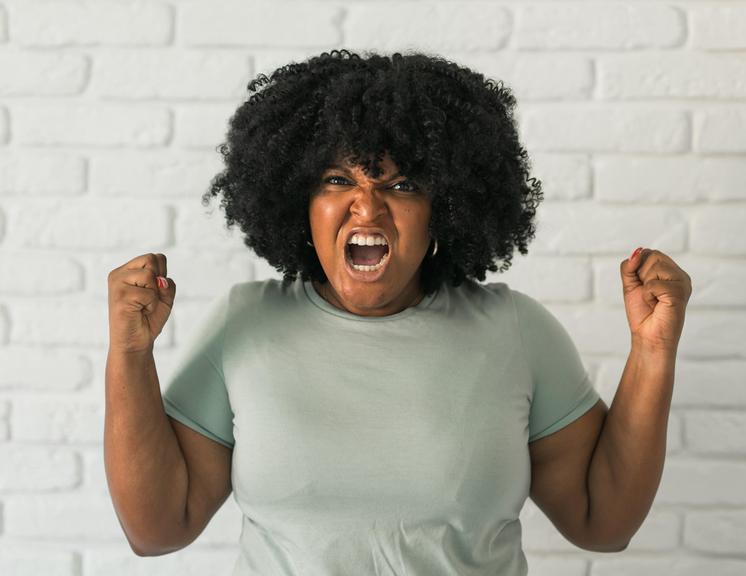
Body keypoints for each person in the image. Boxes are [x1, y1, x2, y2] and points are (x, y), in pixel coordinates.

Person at [104, 49, 692, 575]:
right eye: (338, 179)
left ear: (446, 208)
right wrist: (130, 355)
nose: (367, 207)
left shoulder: (515, 331)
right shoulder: (245, 325)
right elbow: (156, 531)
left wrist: (653, 350)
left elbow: (603, 523)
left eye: (403, 184)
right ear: (299, 203)